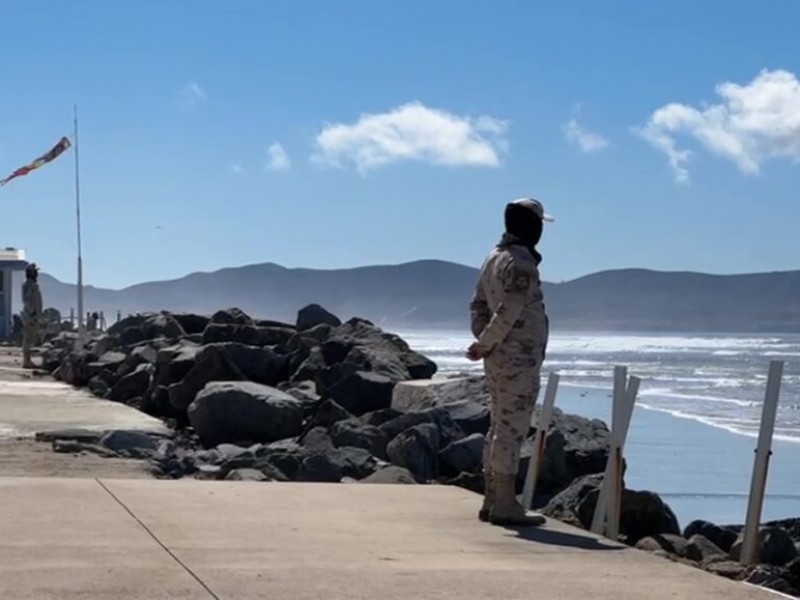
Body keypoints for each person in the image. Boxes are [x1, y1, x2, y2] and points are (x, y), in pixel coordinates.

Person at [467, 198, 552, 526]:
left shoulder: (493, 258)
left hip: (500, 358)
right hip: (517, 358)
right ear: (533, 226)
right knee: (511, 428)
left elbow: (478, 306)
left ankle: (493, 497)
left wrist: (486, 344)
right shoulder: (520, 265)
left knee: (498, 425)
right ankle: (504, 502)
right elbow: (509, 310)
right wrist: (485, 343)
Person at [21, 262, 43, 369]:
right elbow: (26, 300)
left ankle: (28, 360)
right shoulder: (28, 285)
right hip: (30, 315)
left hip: (33, 315)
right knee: (28, 338)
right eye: (35, 272)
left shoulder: (33, 285)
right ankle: (26, 361)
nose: (36, 274)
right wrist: (32, 312)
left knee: (30, 338)